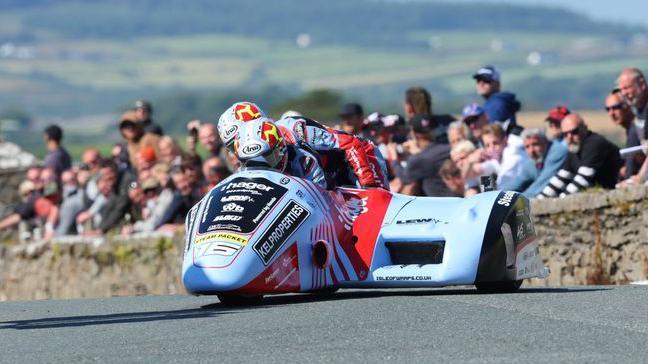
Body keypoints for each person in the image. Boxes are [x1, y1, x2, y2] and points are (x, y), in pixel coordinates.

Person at [276, 115, 389, 189]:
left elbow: (351, 144)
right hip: (331, 176)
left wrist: (369, 185)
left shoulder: (300, 132)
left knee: (375, 203)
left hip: (361, 157)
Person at [540, 113, 622, 198]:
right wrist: (539, 201)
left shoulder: (594, 144)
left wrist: (559, 202)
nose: (570, 137)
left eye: (574, 132)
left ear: (585, 129)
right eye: (565, 134)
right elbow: (561, 179)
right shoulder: (574, 149)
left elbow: (583, 180)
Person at [235, 117, 328, 189]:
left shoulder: (304, 162)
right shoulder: (238, 176)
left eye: (268, 158)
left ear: (281, 148)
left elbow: (321, 196)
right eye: (249, 163)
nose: (259, 170)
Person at [501, 128, 568, 197]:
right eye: (527, 147)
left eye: (535, 144)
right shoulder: (532, 161)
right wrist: (497, 195)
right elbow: (516, 183)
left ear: (545, 142)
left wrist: (519, 200)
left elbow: (541, 184)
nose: (531, 151)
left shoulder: (557, 151)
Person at [400, 115, 452, 197]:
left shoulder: (417, 159)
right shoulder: (450, 149)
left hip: (436, 206)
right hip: (459, 201)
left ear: (413, 133)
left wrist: (394, 160)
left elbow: (403, 180)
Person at [463, 123, 527, 189]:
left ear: (505, 141)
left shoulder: (514, 157)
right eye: (487, 145)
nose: (491, 148)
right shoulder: (497, 159)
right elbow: (468, 175)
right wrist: (469, 161)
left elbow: (502, 189)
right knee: (484, 178)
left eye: (495, 143)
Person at [605, 90, 644, 180]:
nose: (611, 113)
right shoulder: (631, 130)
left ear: (628, 106)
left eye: (616, 107)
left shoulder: (637, 129)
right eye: (608, 109)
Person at [473, 65, 522, 135]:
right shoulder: (497, 101)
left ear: (497, 83)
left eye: (486, 80)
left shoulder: (496, 104)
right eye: (478, 80)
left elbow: (493, 135)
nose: (481, 83)